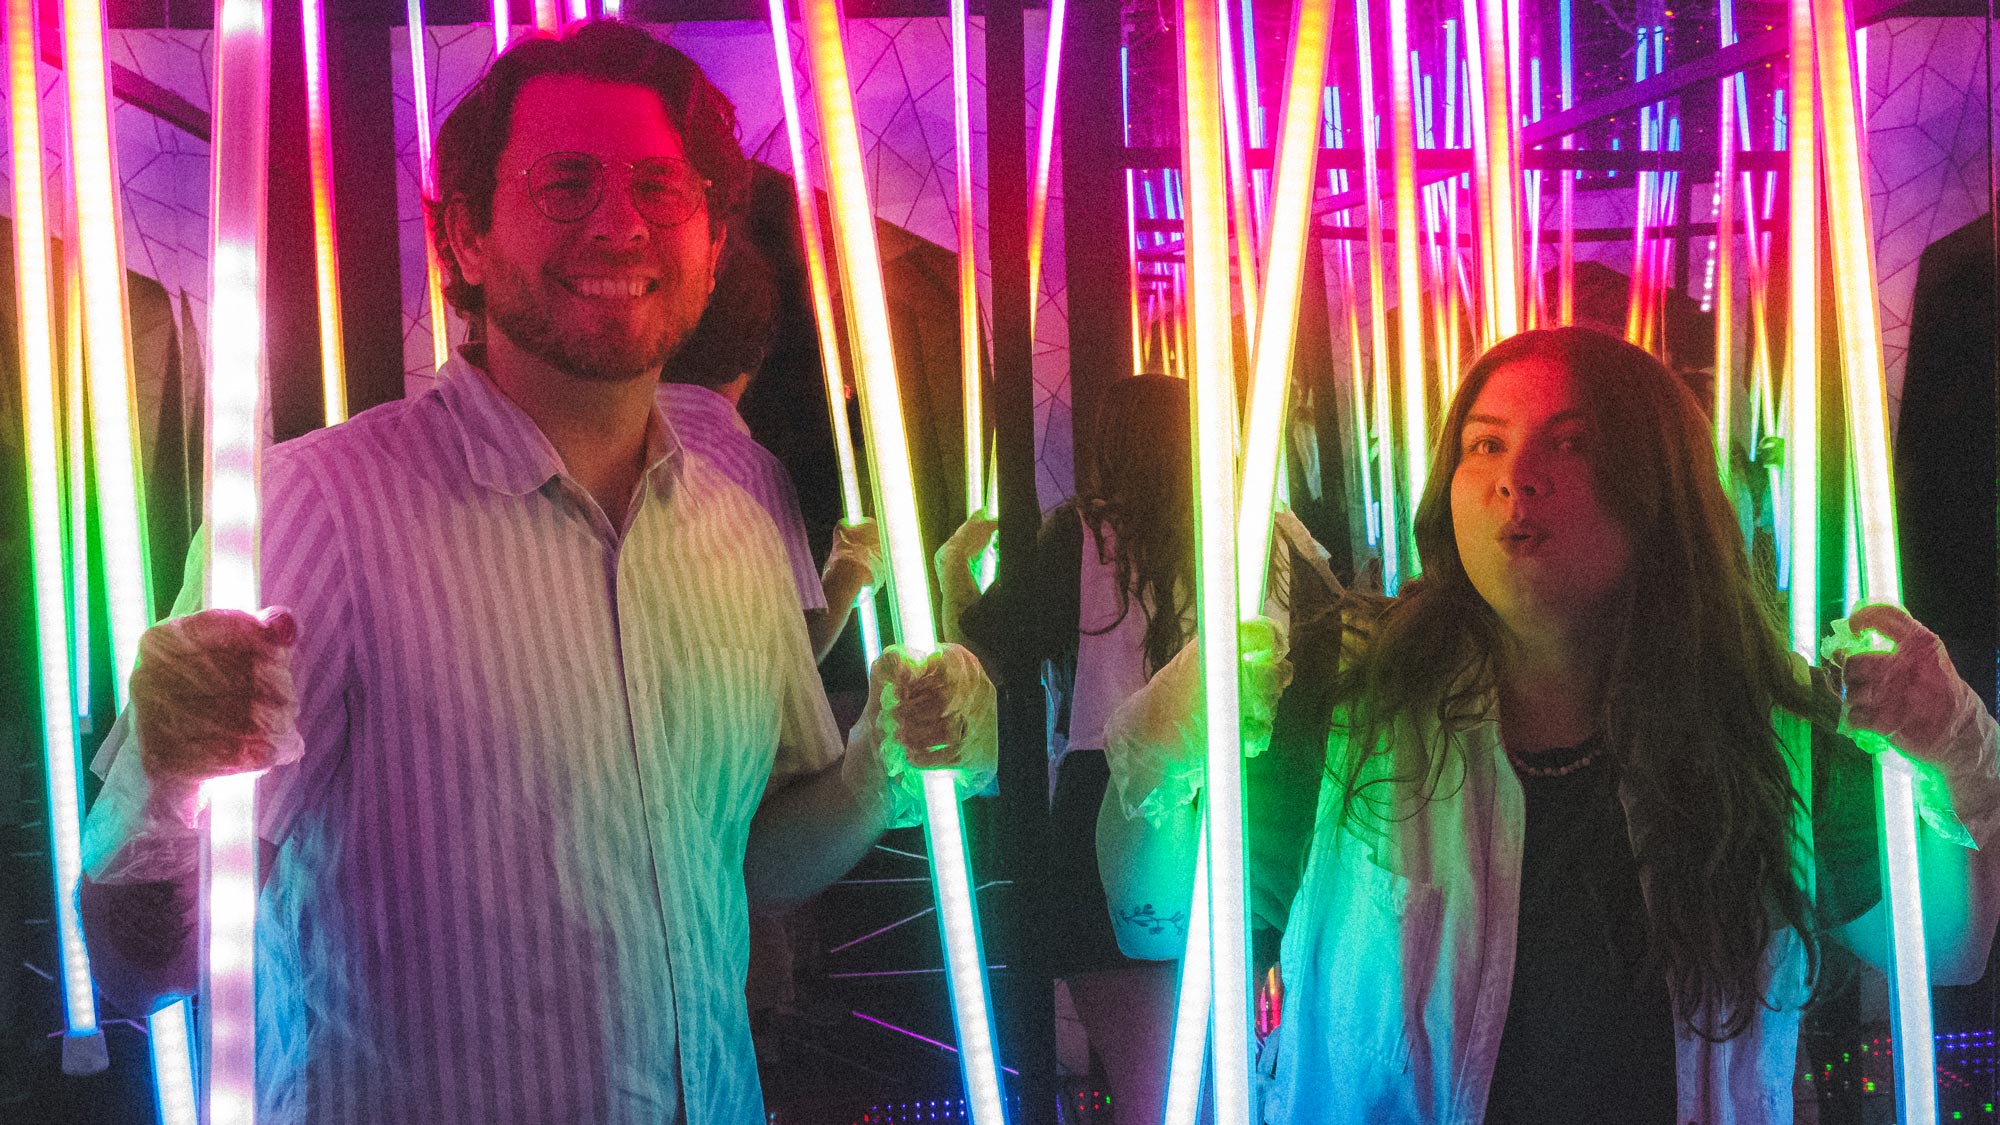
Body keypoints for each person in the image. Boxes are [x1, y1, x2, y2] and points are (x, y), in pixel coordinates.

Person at [76, 21, 994, 1125]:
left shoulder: (739, 526)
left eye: (663, 187)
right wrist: (166, 782)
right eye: (564, 184)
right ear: (463, 236)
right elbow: (145, 968)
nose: (618, 221)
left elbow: (745, 863)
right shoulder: (318, 511)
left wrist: (874, 773)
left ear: (709, 244)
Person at [1098, 326, 2000, 1123]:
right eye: (1484, 445)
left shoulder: (1769, 731)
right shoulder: (1345, 704)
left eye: (1569, 445)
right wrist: (1157, 762)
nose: (1515, 479)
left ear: (1661, 487)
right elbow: (1155, 921)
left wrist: (1957, 758)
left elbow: (1948, 950)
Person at [936, 374, 1307, 1125]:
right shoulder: (1266, 530)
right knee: (1232, 1070)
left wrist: (951, 580)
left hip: (1104, 793)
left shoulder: (1082, 533)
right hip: (1238, 794)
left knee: (1150, 1087)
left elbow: (1002, 648)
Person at [660, 239, 884, 662]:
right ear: (759, 352)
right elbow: (794, 652)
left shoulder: (612, 441)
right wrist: (852, 569)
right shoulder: (747, 473)